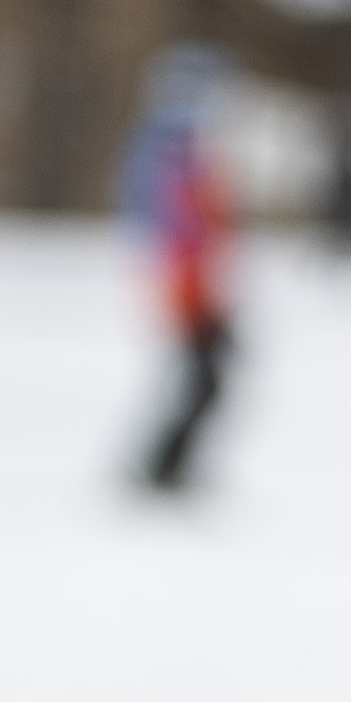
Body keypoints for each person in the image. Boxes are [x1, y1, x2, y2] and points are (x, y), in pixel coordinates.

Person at [124, 44, 237, 497]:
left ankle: (167, 466)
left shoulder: (184, 146)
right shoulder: (169, 148)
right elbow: (173, 224)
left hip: (195, 278)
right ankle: (163, 468)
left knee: (203, 375)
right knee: (204, 376)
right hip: (186, 279)